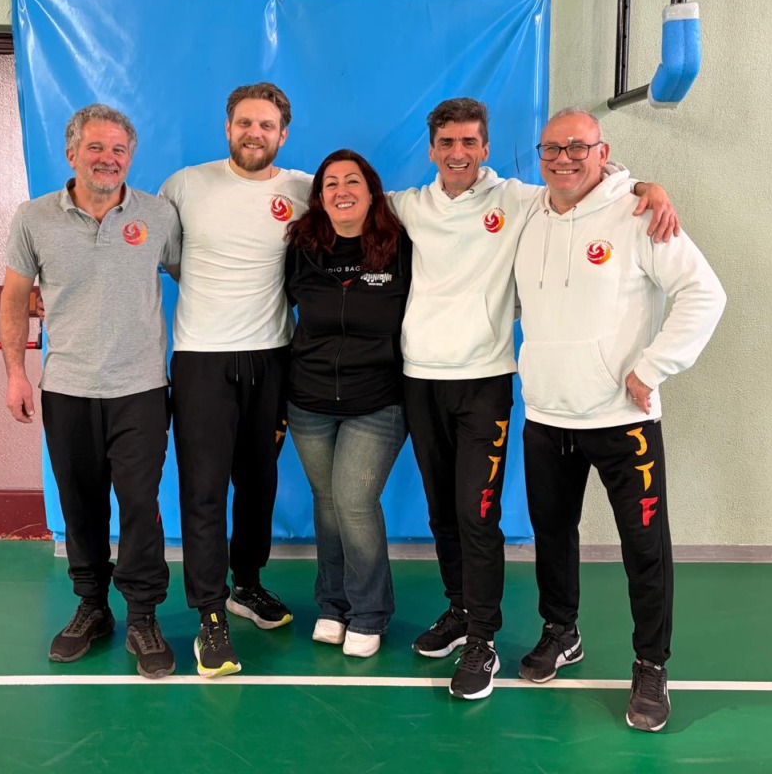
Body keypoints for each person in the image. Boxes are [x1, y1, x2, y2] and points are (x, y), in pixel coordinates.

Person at [387, 97, 680, 700]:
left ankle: (491, 641)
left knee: (479, 515)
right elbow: (349, 197)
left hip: (495, 383)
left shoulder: (521, 200)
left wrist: (644, 186)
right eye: (448, 143)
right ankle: (470, 612)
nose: (459, 153)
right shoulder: (413, 206)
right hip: (440, 383)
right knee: (451, 514)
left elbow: (589, 178)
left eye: (470, 142)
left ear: (487, 148)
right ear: (432, 149)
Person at [513, 108, 726, 731]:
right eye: (552, 148)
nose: (564, 159)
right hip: (546, 414)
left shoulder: (639, 213)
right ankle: (561, 631)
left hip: (622, 418)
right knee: (552, 535)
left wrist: (652, 368)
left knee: (644, 547)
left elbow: (705, 293)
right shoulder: (527, 213)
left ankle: (651, 664)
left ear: (603, 152)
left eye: (578, 147)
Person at [0, 104, 182, 679]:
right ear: (72, 153)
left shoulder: (159, 215)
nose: (108, 159)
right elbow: (14, 298)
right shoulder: (33, 218)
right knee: (80, 504)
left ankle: (144, 615)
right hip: (69, 388)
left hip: (141, 388)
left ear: (131, 157)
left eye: (119, 150)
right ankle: (92, 608)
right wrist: (15, 373)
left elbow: (199, 277)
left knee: (139, 505)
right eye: (96, 148)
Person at [158, 82, 311, 677]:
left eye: (266, 125)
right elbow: (168, 257)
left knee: (259, 483)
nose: (255, 133)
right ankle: (210, 614)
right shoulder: (185, 185)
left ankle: (246, 584)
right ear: (228, 128)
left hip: (272, 359)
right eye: (245, 122)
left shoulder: (302, 190)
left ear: (283, 135)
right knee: (203, 489)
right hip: (202, 359)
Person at [284, 150, 412, 658]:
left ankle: (369, 612)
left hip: (377, 401)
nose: (342, 190)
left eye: (352, 180)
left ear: (371, 189)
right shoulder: (302, 247)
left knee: (354, 502)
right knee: (328, 503)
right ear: (319, 196)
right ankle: (333, 605)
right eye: (331, 183)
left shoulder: (400, 244)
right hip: (309, 401)